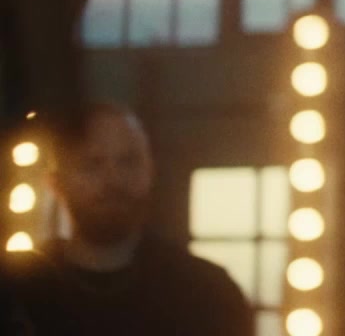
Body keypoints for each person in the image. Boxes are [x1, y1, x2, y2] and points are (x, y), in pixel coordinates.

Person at [8, 102, 252, 336]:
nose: (113, 179)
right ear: (56, 183)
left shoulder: (207, 292)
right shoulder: (21, 293)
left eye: (128, 162)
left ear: (150, 171)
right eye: (92, 164)